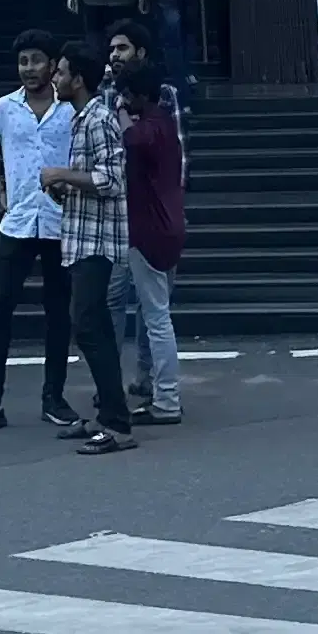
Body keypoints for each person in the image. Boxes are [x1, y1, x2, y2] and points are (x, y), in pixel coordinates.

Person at [0, 30, 78, 433]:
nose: (29, 69)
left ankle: (54, 398)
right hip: (19, 221)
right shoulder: (5, 108)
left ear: (52, 64)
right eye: (23, 61)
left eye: (37, 61)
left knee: (59, 313)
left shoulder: (71, 108)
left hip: (62, 221)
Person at [40, 40, 136, 451]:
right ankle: (109, 416)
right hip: (82, 235)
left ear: (78, 79)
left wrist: (61, 173)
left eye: (60, 72)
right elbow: (92, 180)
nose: (54, 78)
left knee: (89, 327)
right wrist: (65, 187)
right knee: (89, 327)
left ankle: (116, 423)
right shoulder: (81, 118)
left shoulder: (97, 119)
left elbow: (112, 180)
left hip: (97, 241)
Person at [111, 49, 186, 423]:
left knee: (156, 319)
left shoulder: (144, 131)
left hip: (147, 230)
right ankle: (164, 394)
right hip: (172, 225)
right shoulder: (166, 124)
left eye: (125, 94)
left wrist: (123, 113)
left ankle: (167, 399)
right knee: (160, 315)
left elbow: (130, 139)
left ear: (137, 95)